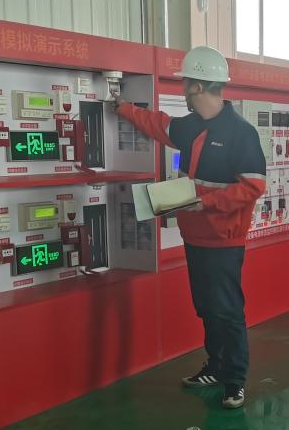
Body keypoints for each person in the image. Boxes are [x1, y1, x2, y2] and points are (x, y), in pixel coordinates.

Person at [111, 46, 266, 409]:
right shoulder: (190, 125)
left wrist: (205, 202)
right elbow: (158, 124)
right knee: (206, 307)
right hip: (194, 235)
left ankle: (234, 380)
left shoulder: (241, 133)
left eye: (185, 83)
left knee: (227, 310)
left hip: (224, 239)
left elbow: (253, 186)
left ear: (197, 86)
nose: (182, 89)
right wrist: (123, 108)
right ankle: (215, 365)